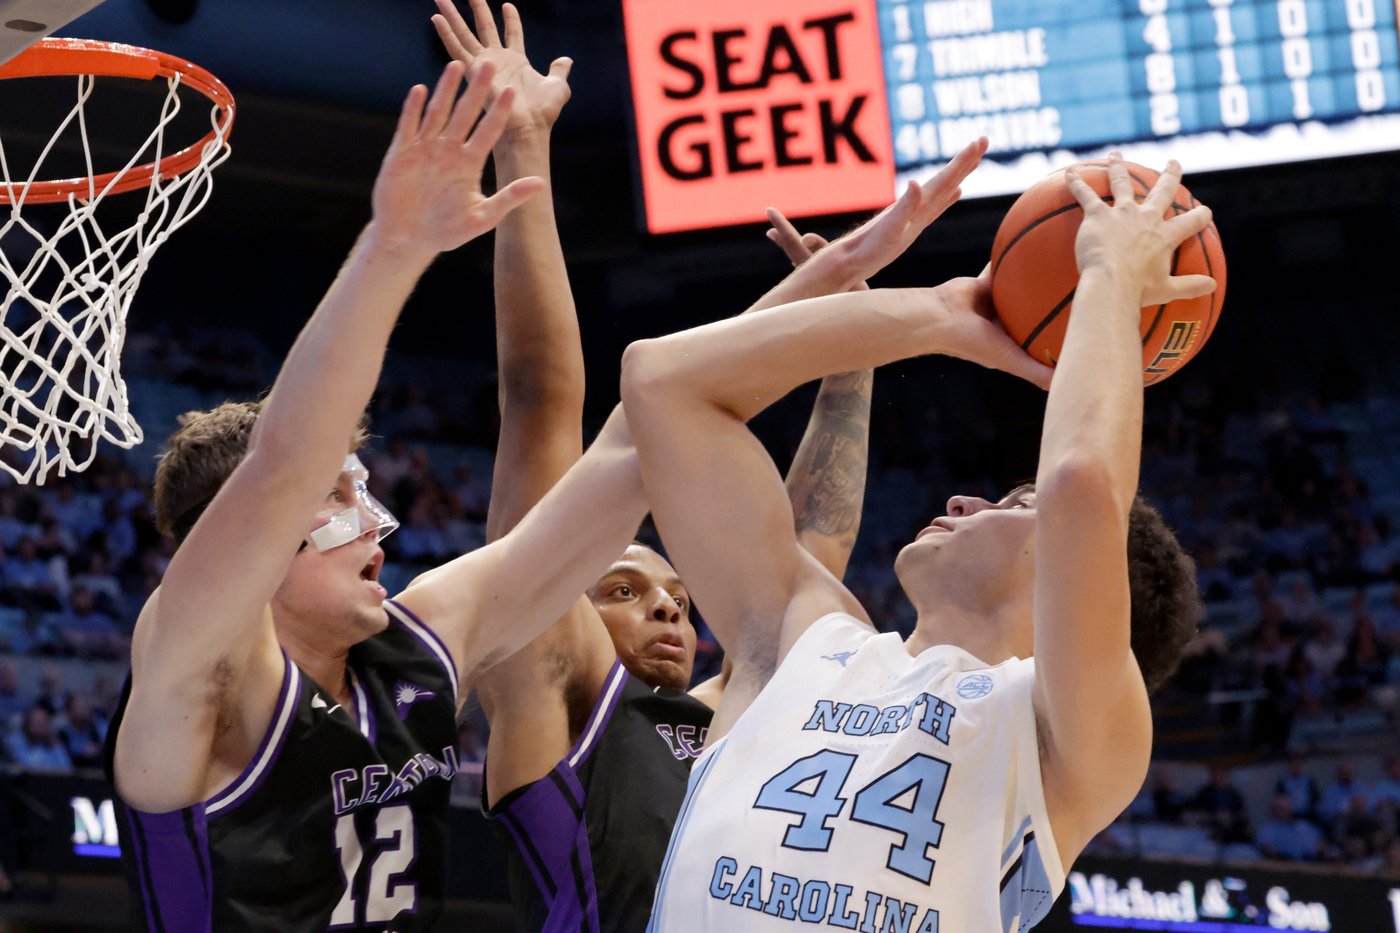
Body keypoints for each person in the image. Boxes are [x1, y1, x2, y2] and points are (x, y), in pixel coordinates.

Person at [101, 62, 653, 932]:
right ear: (256, 532)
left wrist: (855, 297)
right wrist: (394, 247)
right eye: (340, 495)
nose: (380, 523)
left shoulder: (416, 647)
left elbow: (635, 430)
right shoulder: (198, 662)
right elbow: (283, 463)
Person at [620, 150, 1210, 930]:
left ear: (1088, 580)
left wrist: (1107, 278)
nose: (965, 498)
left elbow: (1082, 489)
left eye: (1012, 500)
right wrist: (934, 317)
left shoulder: (1066, 739)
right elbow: (661, 382)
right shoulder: (803, 636)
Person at [430, 3, 882, 927]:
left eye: (673, 592)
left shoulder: (730, 711)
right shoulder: (555, 686)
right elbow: (541, 397)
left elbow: (809, 552)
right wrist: (523, 149)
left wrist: (850, 360)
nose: (672, 604)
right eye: (626, 588)